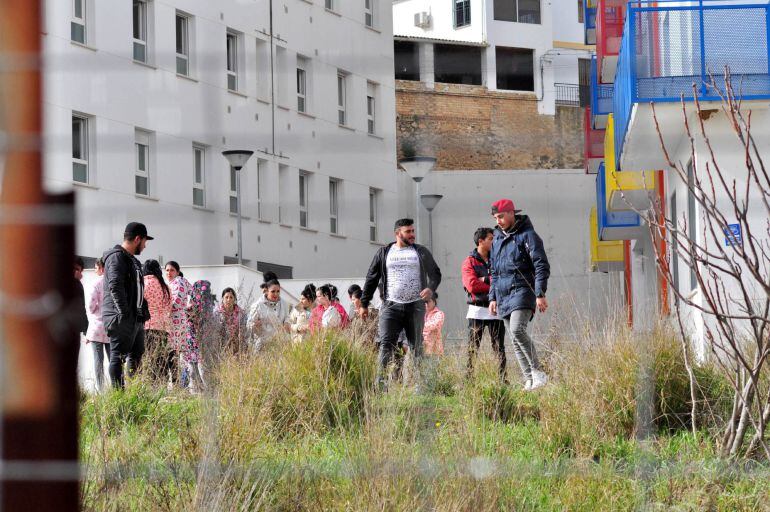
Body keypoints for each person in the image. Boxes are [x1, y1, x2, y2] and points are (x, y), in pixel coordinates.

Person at [360, 218, 442, 390]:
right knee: (386, 345)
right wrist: (364, 303)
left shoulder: (420, 251)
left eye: (413, 231)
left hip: (415, 306)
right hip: (391, 306)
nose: (412, 235)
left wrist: (430, 288)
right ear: (398, 233)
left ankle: (423, 386)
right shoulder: (384, 252)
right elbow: (372, 277)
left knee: (417, 346)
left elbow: (435, 273)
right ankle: (381, 384)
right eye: (408, 232)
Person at [488, 199, 551, 391]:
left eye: (500, 216)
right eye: (495, 218)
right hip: (503, 294)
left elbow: (541, 265)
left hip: (523, 290)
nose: (498, 221)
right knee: (513, 339)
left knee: (517, 329)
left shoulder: (528, 236)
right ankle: (529, 380)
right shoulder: (497, 239)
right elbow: (494, 270)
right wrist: (492, 297)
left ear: (511, 213)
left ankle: (539, 372)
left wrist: (539, 293)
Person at [101, 222, 152, 389]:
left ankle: (132, 392)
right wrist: (124, 314)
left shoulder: (134, 262)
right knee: (118, 357)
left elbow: (137, 289)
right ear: (137, 239)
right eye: (144, 241)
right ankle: (119, 395)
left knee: (136, 355)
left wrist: (142, 312)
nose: (145, 246)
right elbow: (115, 286)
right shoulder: (116, 257)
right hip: (121, 318)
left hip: (135, 319)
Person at [462, 227, 507, 381]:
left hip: (496, 309)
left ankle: (503, 380)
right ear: (480, 241)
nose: (494, 241)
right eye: (490, 239)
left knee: (499, 347)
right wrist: (493, 283)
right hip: (477, 310)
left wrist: (485, 279)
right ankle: (469, 379)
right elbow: (472, 285)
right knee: (473, 348)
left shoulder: (498, 258)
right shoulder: (469, 261)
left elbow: (504, 279)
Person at [142, 259, 172, 384]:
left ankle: (150, 387)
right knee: (161, 359)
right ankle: (162, 387)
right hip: (163, 328)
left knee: (148, 359)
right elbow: (169, 307)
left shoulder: (142, 284)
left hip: (147, 326)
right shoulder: (165, 287)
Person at [185, 280, 214, 392]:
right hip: (194, 342)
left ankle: (203, 392)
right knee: (194, 369)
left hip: (201, 342)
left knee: (200, 369)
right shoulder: (192, 306)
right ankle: (197, 392)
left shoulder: (208, 306)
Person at [165, 261, 191, 386]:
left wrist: (166, 311)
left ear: (178, 271)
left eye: (172, 270)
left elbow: (176, 301)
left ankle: (179, 384)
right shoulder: (178, 282)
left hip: (176, 321)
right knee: (177, 354)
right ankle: (180, 384)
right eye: (167, 270)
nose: (169, 273)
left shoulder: (178, 282)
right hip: (177, 320)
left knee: (174, 354)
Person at [86, 258, 109, 392]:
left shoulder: (96, 283)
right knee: (113, 359)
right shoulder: (114, 282)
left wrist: (95, 311)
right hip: (111, 326)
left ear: (101, 268)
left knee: (98, 360)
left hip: (96, 327)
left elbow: (90, 305)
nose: (95, 271)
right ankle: (117, 387)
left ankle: (101, 390)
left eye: (95, 268)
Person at [247, 279, 290, 350]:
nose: (276, 294)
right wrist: (254, 325)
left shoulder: (284, 303)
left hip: (280, 345)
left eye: (278, 291)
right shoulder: (257, 305)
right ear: (266, 291)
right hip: (263, 346)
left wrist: (287, 322)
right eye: (273, 291)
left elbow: (287, 317)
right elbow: (248, 325)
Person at [214, 287, 246, 354]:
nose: (228, 300)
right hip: (220, 345)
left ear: (235, 299)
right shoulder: (216, 313)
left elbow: (244, 329)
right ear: (222, 299)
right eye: (226, 297)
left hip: (237, 345)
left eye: (231, 297)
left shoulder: (241, 313)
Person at [74, 257, 89, 337]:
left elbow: (81, 305)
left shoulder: (79, 284)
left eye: (77, 269)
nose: (75, 271)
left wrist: (85, 325)